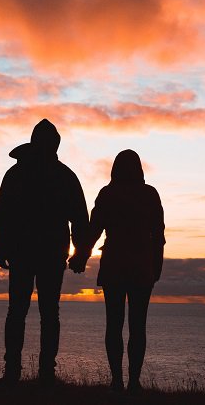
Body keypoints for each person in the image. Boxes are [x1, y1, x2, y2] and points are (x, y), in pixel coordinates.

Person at [0, 119, 91, 386]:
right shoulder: (64, 175)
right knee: (46, 313)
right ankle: (42, 372)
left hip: (26, 252)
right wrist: (80, 252)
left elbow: (3, 213)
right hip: (46, 252)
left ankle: (18, 372)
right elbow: (80, 219)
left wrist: (1, 245)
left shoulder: (18, 174)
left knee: (20, 311)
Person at [69, 149, 165, 393]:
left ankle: (118, 381)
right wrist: (156, 267)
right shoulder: (149, 194)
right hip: (142, 268)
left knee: (114, 325)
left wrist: (80, 256)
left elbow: (93, 231)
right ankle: (132, 382)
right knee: (137, 326)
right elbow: (159, 237)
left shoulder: (108, 193)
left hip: (115, 267)